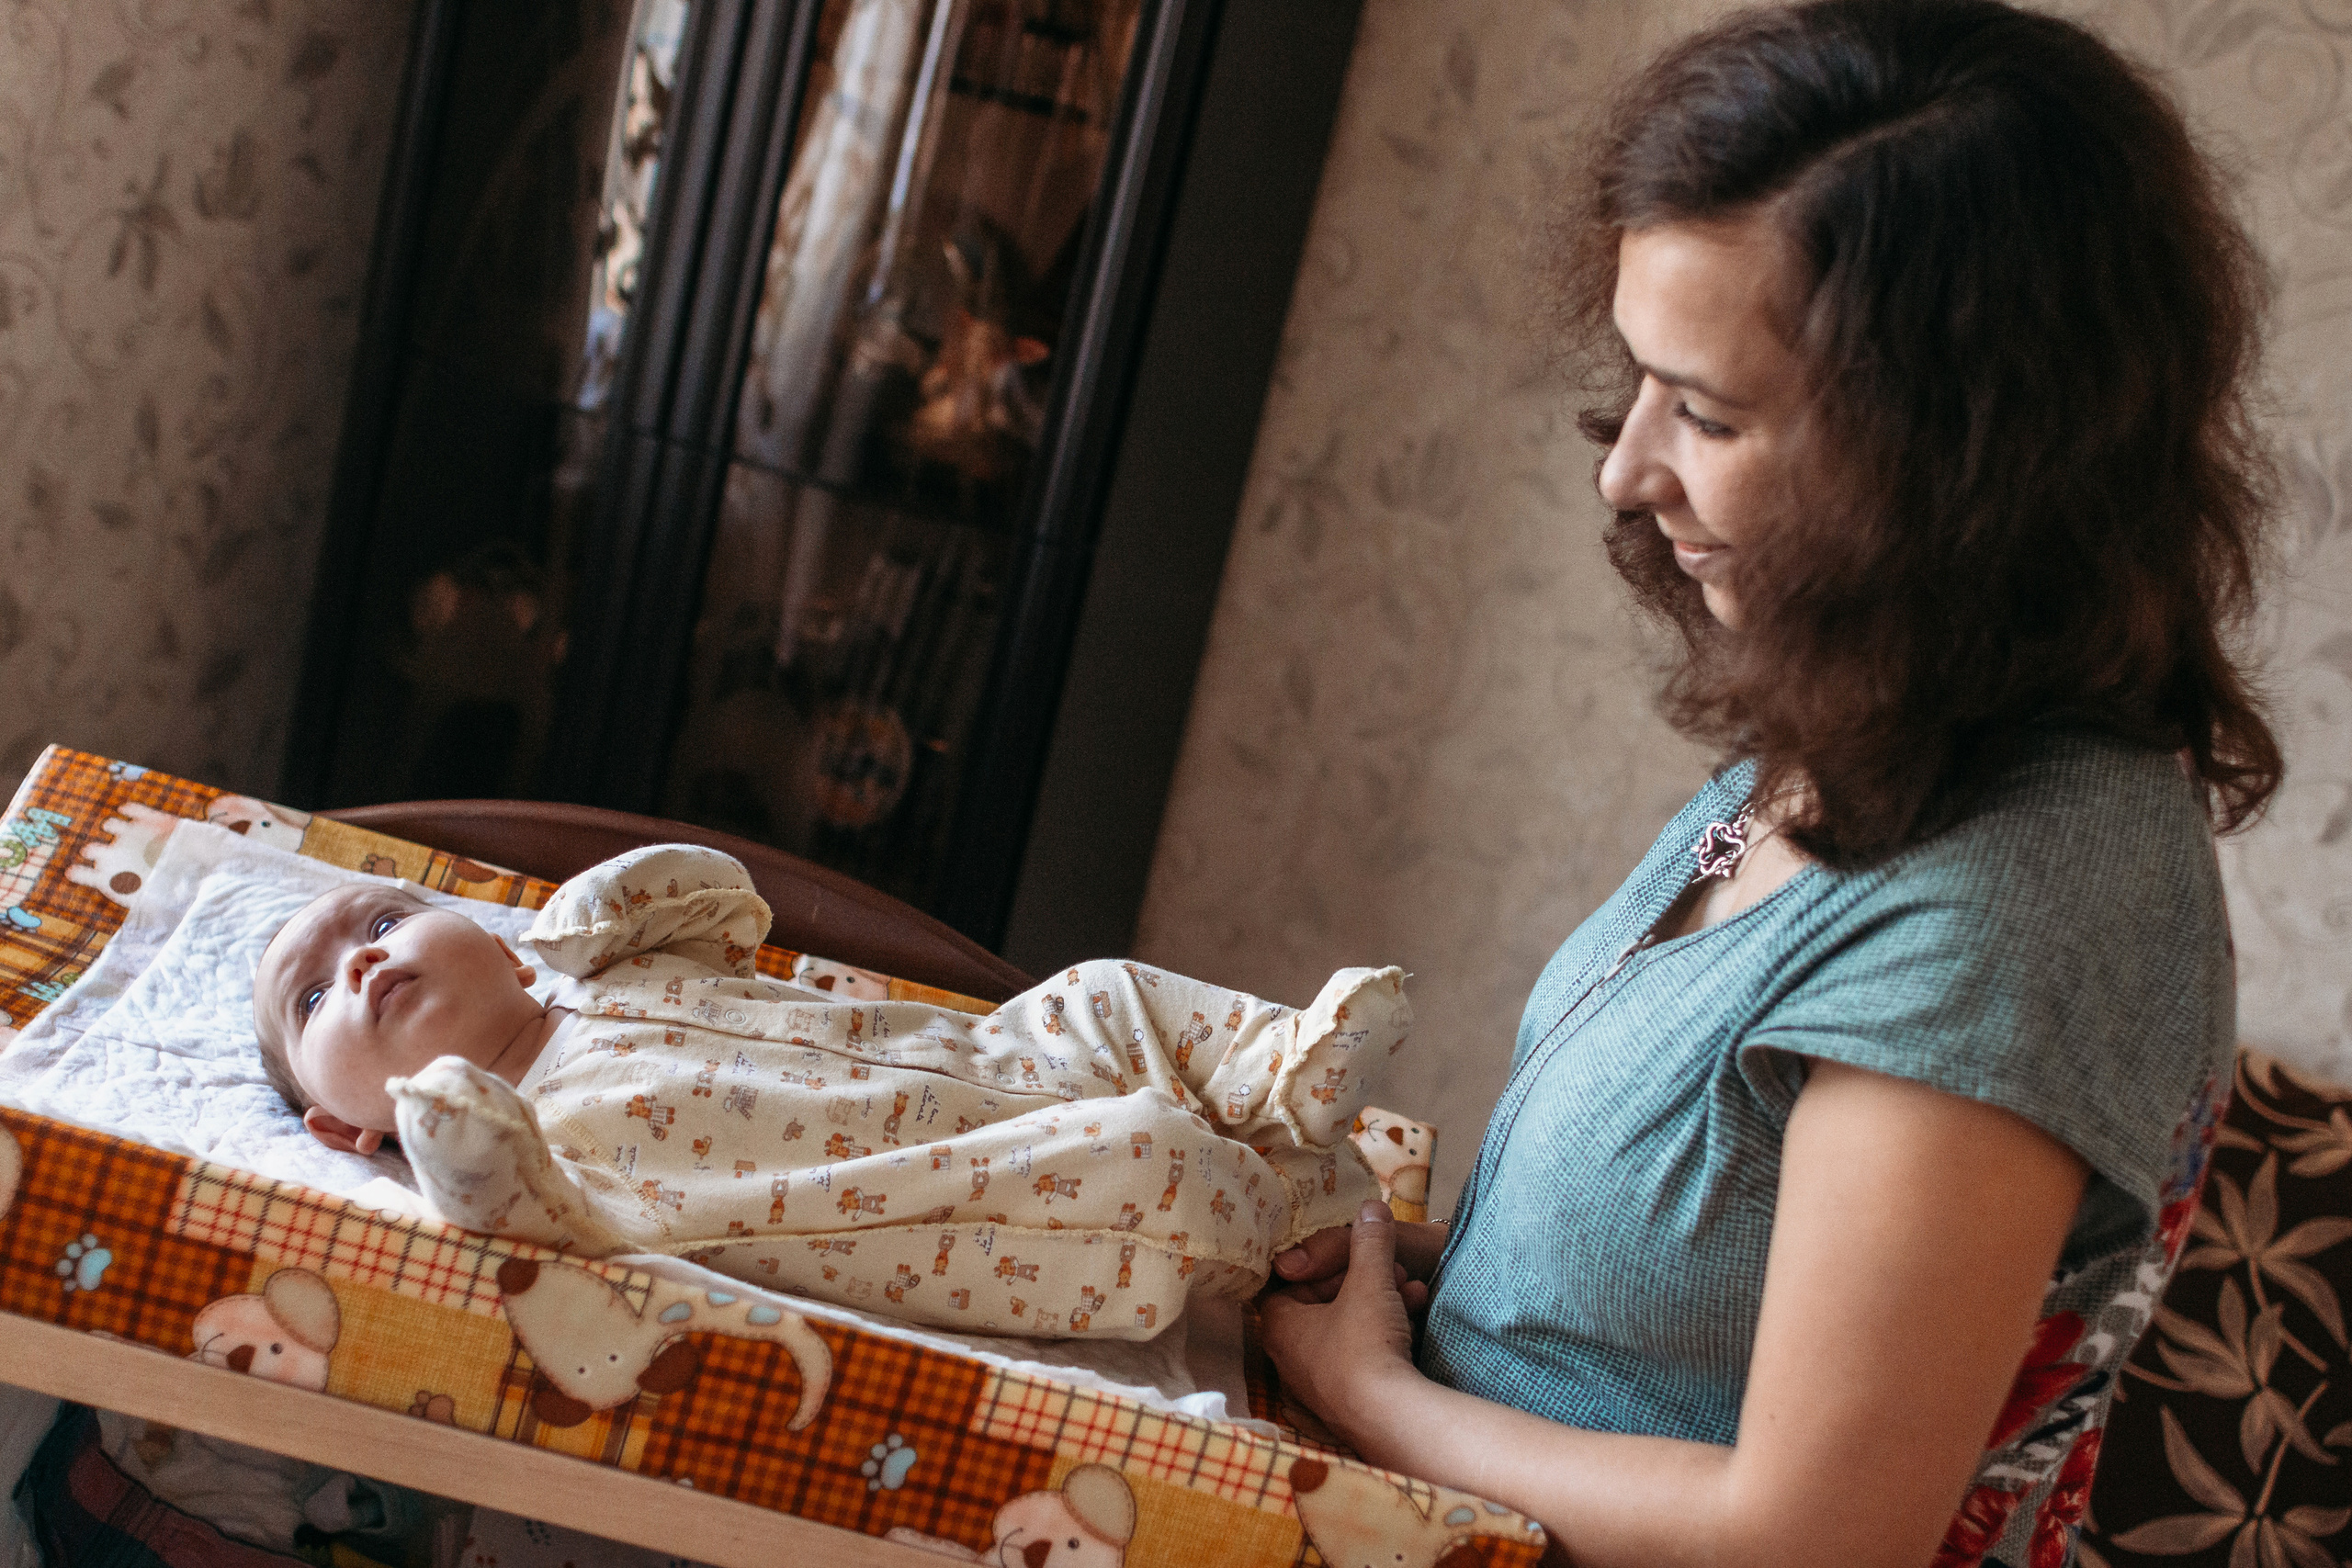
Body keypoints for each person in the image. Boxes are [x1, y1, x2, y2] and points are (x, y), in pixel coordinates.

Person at [1256, 3, 2278, 1564]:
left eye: (1709, 413)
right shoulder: (1857, 739)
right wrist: (1429, 1278)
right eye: (1642, 381)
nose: (1624, 468)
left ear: (1956, 461)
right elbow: (1702, 1313)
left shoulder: (2012, 909)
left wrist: (1373, 1391)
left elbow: (1811, 1531)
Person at [252, 843, 1404, 1340]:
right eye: (314, 1002)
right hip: (948, 1196)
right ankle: (1287, 1225)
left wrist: (607, 905)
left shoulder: (608, 966)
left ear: (502, 949)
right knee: (1143, 1155)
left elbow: (729, 911)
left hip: (993, 1062)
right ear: (343, 1127)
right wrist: (448, 1132)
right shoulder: (532, 1153)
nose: (359, 961)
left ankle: (1284, 1074)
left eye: (387, 919)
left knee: (1101, 992)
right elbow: (523, 1219)